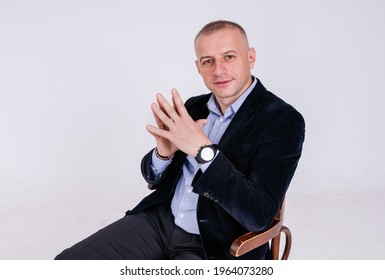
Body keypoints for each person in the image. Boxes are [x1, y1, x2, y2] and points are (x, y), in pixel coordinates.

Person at [55, 20, 305, 260]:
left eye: (229, 56)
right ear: (198, 67)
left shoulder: (283, 120)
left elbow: (258, 215)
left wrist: (203, 151)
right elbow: (154, 179)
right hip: (159, 222)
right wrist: (163, 154)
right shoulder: (193, 107)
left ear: (250, 57)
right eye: (208, 61)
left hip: (214, 245)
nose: (219, 70)